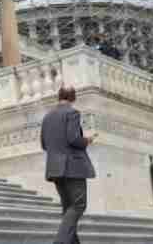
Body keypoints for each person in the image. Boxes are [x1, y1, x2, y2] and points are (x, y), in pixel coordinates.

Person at [41, 86, 97, 244]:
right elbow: (73, 139)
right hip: (73, 168)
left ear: (59, 96)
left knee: (68, 209)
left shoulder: (47, 117)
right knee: (79, 205)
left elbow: (44, 144)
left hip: (54, 169)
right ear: (73, 98)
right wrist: (87, 140)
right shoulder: (72, 113)